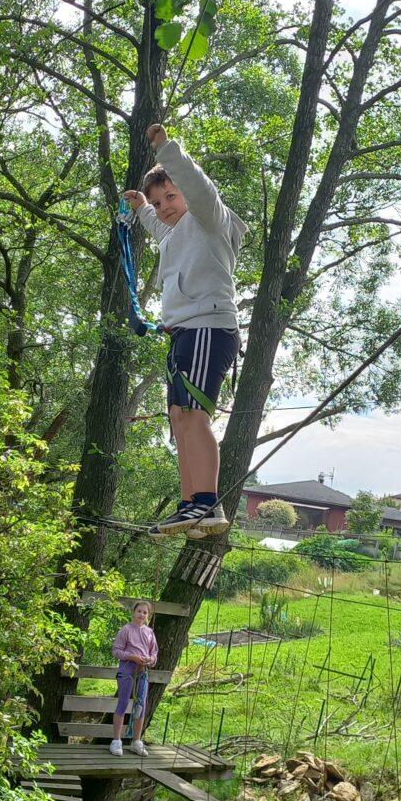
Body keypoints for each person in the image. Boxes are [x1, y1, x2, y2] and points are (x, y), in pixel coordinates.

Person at [122, 122, 245, 537]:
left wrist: (166, 150)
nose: (166, 207)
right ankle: (192, 503)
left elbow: (196, 185)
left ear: (187, 194)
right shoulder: (173, 233)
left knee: (193, 414)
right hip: (183, 334)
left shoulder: (210, 218)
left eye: (171, 197)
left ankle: (208, 502)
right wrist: (143, 206)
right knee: (178, 417)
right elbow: (157, 225)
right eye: (160, 202)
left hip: (209, 327)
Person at [110, 600, 157, 756]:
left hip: (143, 672)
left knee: (140, 705)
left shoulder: (149, 633)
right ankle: (116, 741)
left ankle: (136, 741)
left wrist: (150, 660)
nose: (141, 615)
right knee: (123, 703)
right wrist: (132, 657)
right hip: (127, 671)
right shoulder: (126, 630)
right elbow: (116, 651)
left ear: (148, 615)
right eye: (139, 611)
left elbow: (154, 654)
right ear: (133, 612)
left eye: (145, 612)